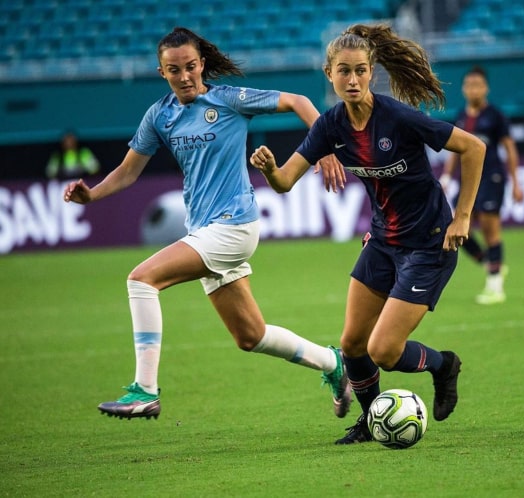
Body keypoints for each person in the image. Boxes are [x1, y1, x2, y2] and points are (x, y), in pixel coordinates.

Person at [63, 27, 351, 422]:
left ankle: (145, 390)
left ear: (202, 65)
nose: (184, 76)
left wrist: (324, 148)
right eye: (173, 69)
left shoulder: (229, 99)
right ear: (161, 71)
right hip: (203, 231)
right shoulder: (160, 115)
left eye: (190, 67)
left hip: (233, 227)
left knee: (141, 279)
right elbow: (129, 172)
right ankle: (334, 364)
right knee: (251, 336)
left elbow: (300, 100)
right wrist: (92, 195)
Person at [249, 23, 486, 444]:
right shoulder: (330, 127)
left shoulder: (398, 117)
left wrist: (463, 216)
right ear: (329, 75)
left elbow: (474, 147)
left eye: (360, 71)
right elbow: (285, 182)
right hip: (382, 242)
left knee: (384, 351)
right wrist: (269, 169)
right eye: (344, 71)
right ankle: (370, 421)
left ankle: (443, 364)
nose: (353, 79)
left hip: (429, 244)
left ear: (372, 71)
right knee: (352, 344)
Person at [440, 66, 524, 305]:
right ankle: (492, 263)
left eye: (478, 85)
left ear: (485, 88)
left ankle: (495, 287)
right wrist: (446, 176)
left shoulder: (495, 115)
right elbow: (455, 151)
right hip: (467, 182)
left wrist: (516, 182)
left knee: (490, 229)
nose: (473, 90)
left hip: (492, 178)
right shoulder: (460, 117)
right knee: (455, 226)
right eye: (469, 85)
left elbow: (509, 148)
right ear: (464, 89)